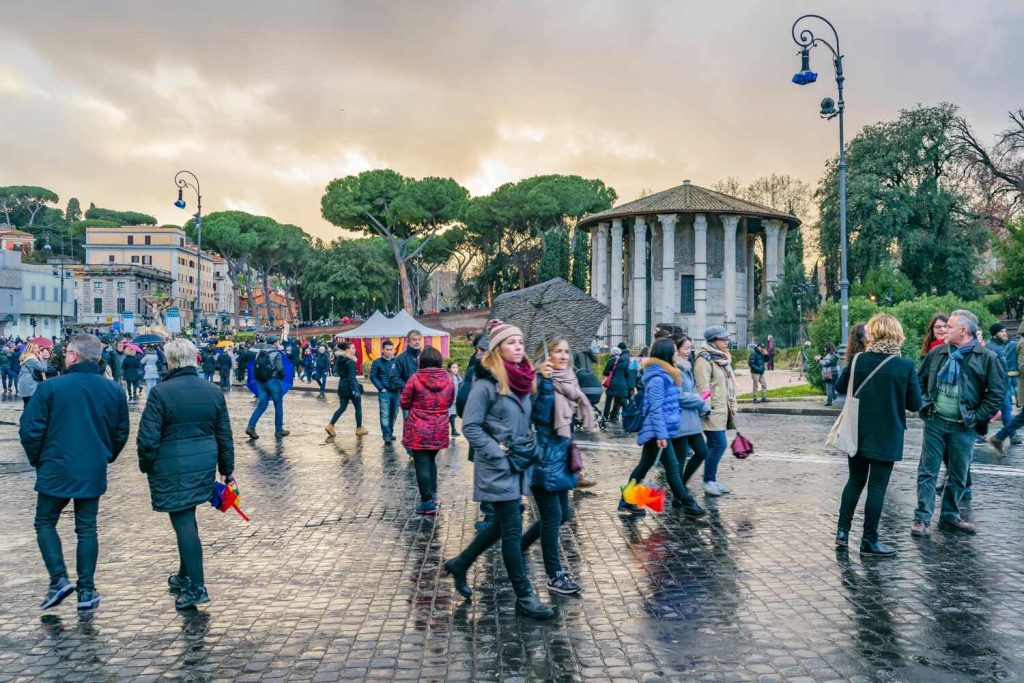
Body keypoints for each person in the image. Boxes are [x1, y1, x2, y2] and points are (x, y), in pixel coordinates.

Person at [442, 319, 554, 620]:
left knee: (506, 523)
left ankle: (461, 563)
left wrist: (544, 386)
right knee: (512, 531)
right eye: (511, 342)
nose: (518, 347)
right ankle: (525, 597)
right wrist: (499, 452)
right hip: (497, 467)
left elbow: (534, 419)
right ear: (497, 349)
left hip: (518, 465)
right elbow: (472, 427)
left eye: (520, 342)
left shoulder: (522, 381)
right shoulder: (485, 384)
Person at [19, 334, 129, 611]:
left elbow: (29, 430)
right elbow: (120, 432)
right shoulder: (114, 390)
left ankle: (58, 579)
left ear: (73, 356)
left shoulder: (51, 388)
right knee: (86, 528)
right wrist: (105, 456)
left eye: (67, 353)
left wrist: (38, 460)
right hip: (92, 466)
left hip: (55, 465)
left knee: (45, 522)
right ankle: (86, 590)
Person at [136, 339, 234, 610]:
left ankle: (197, 587)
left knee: (183, 521)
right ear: (195, 359)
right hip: (203, 463)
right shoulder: (213, 390)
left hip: (171, 465)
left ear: (170, 362)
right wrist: (227, 470)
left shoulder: (161, 393)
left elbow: (147, 438)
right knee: (186, 518)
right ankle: (184, 575)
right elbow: (224, 434)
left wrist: (147, 465)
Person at [834, 314, 923, 557]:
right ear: (897, 334)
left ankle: (842, 533)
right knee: (877, 487)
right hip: (888, 434)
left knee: (855, 481)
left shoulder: (858, 360)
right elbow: (915, 404)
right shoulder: (904, 366)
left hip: (858, 431)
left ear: (873, 333)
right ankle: (869, 541)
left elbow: (840, 388)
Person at [913, 309, 1004, 536]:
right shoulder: (938, 353)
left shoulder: (986, 358)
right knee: (928, 470)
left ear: (963, 331)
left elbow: (996, 394)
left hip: (964, 426)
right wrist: (925, 405)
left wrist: (975, 417)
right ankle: (922, 518)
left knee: (958, 473)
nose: (944, 330)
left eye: (950, 327)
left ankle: (949, 516)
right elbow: (919, 380)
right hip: (935, 421)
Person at [521, 336, 589, 595]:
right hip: (545, 458)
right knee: (551, 518)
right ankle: (554, 575)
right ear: (545, 354)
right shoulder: (540, 381)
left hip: (562, 458)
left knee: (563, 515)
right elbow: (538, 416)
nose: (563, 356)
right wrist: (544, 383)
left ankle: (521, 545)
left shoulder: (568, 380)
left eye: (566, 351)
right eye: (557, 351)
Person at [619, 337, 707, 518]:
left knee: (644, 466)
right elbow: (656, 409)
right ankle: (688, 504)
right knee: (673, 468)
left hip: (662, 430)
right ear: (667, 354)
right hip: (657, 432)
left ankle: (627, 500)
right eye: (674, 351)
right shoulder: (658, 378)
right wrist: (661, 435)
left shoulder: (666, 374)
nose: (677, 354)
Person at [400, 346, 455, 514]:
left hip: (418, 429)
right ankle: (433, 494)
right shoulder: (448, 379)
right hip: (439, 428)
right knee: (431, 461)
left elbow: (404, 402)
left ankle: (427, 502)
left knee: (422, 464)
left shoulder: (415, 378)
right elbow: (450, 400)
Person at [684, 327, 738, 496]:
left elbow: (727, 385)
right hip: (711, 410)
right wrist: (705, 408)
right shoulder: (704, 358)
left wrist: (733, 405)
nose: (727, 342)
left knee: (710, 446)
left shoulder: (721, 358)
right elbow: (703, 387)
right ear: (713, 341)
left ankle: (705, 479)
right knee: (719, 444)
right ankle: (708, 481)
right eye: (723, 339)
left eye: (727, 339)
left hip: (722, 408)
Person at [245, 339, 288, 440]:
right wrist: (282, 376)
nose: (278, 343)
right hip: (273, 381)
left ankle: (251, 427)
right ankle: (279, 430)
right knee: (278, 406)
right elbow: (280, 369)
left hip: (262, 382)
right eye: (277, 342)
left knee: (261, 406)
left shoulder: (259, 353)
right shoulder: (276, 353)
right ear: (274, 343)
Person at [324, 341, 366, 437]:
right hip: (350, 387)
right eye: (353, 348)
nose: (355, 350)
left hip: (342, 385)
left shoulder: (340, 359)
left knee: (342, 407)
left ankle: (330, 425)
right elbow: (351, 377)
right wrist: (355, 390)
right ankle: (359, 428)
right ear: (347, 350)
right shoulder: (350, 361)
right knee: (358, 408)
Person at [986, 323, 1018, 444]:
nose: (1005, 333)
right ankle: (1013, 435)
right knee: (1005, 409)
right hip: (998, 385)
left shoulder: (1000, 346)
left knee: (1003, 410)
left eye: (1005, 331)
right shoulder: (992, 348)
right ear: (994, 334)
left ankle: (1012, 435)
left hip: (1004, 383)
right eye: (1001, 332)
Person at [370, 340, 403, 444]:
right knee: (385, 414)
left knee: (394, 413)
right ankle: (386, 435)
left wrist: (401, 387)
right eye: (387, 349)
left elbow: (401, 375)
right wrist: (381, 388)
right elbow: (373, 376)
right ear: (383, 350)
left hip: (396, 391)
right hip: (384, 392)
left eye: (391, 349)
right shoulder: (377, 362)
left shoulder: (396, 361)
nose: (389, 351)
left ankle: (390, 432)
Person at [602, 342, 631, 422]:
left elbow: (605, 373)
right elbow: (627, 374)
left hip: (612, 384)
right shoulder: (624, 361)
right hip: (622, 385)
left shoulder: (611, 361)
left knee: (608, 402)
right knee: (624, 403)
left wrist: (611, 372)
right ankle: (630, 417)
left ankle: (605, 418)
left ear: (613, 353)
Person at [447, 361, 462, 436]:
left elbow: (460, 384)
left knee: (453, 415)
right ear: (449, 369)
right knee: (449, 415)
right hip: (450, 400)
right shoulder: (448, 377)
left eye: (456, 367)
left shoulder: (457, 377)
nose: (455, 369)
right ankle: (448, 430)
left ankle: (453, 430)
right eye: (453, 367)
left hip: (455, 400)